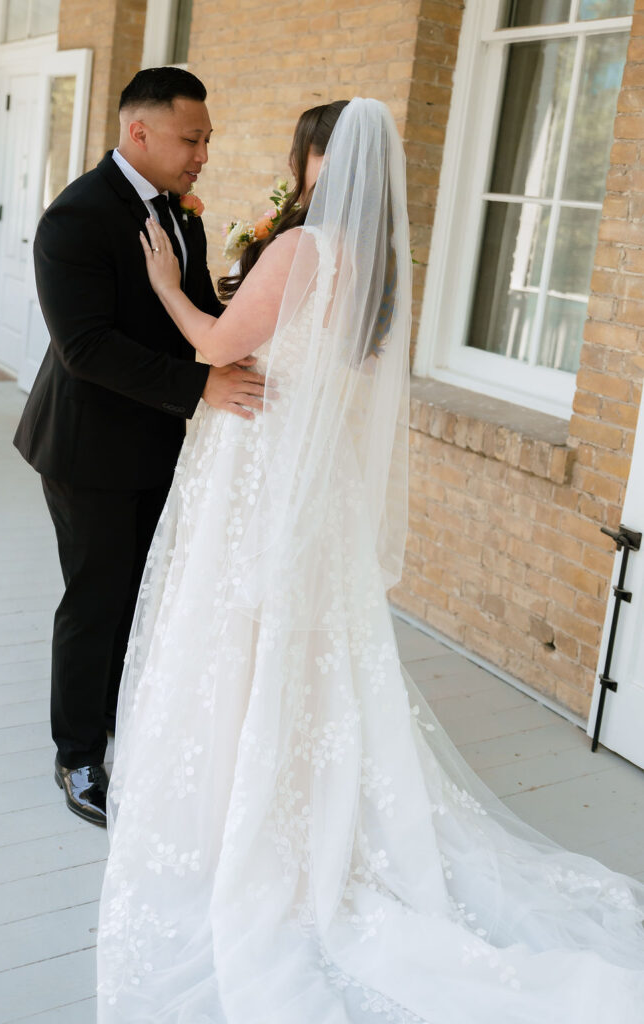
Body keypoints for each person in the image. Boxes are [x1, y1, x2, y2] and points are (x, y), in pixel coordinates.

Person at [96, 99, 644, 1022]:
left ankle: (244, 801)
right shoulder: (381, 265)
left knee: (242, 624)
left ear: (317, 158)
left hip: (266, 464)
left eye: (299, 147)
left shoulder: (303, 250)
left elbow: (216, 345)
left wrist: (164, 285)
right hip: (321, 479)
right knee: (306, 641)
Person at [13, 67, 266, 827]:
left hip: (159, 438)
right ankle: (79, 755)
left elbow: (182, 306)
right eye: (193, 140)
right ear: (140, 132)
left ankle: (130, 718)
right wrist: (203, 389)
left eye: (208, 141)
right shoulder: (75, 219)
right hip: (87, 447)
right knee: (97, 600)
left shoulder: (179, 211)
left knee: (144, 590)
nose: (203, 158)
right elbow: (86, 347)